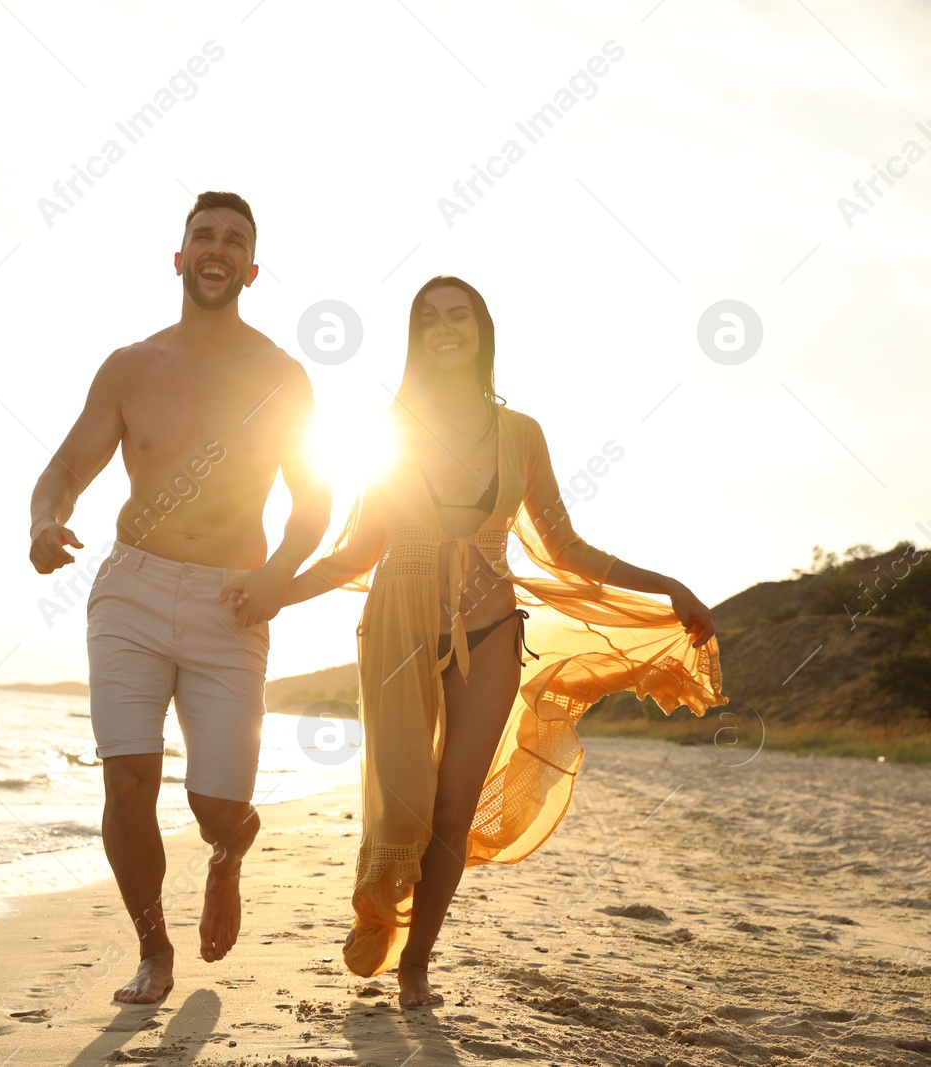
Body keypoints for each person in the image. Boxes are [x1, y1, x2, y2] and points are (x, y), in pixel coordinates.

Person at [259, 275, 727, 1007]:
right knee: (405, 804)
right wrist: (270, 592)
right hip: (399, 626)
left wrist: (664, 583)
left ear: (481, 331)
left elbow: (564, 546)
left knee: (452, 806)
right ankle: (377, 907)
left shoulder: (521, 434)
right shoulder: (392, 428)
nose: (445, 328)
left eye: (459, 316)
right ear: (416, 336)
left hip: (493, 627)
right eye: (429, 318)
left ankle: (416, 962)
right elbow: (356, 553)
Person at [27, 191, 332, 1004]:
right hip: (130, 588)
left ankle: (229, 851)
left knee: (214, 806)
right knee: (126, 779)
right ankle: (153, 948)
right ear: (179, 256)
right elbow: (63, 472)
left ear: (251, 268)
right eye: (203, 234)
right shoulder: (131, 366)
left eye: (234, 239)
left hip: (234, 601)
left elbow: (315, 501)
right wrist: (45, 523)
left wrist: (278, 577)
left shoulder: (280, 375)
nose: (217, 247)